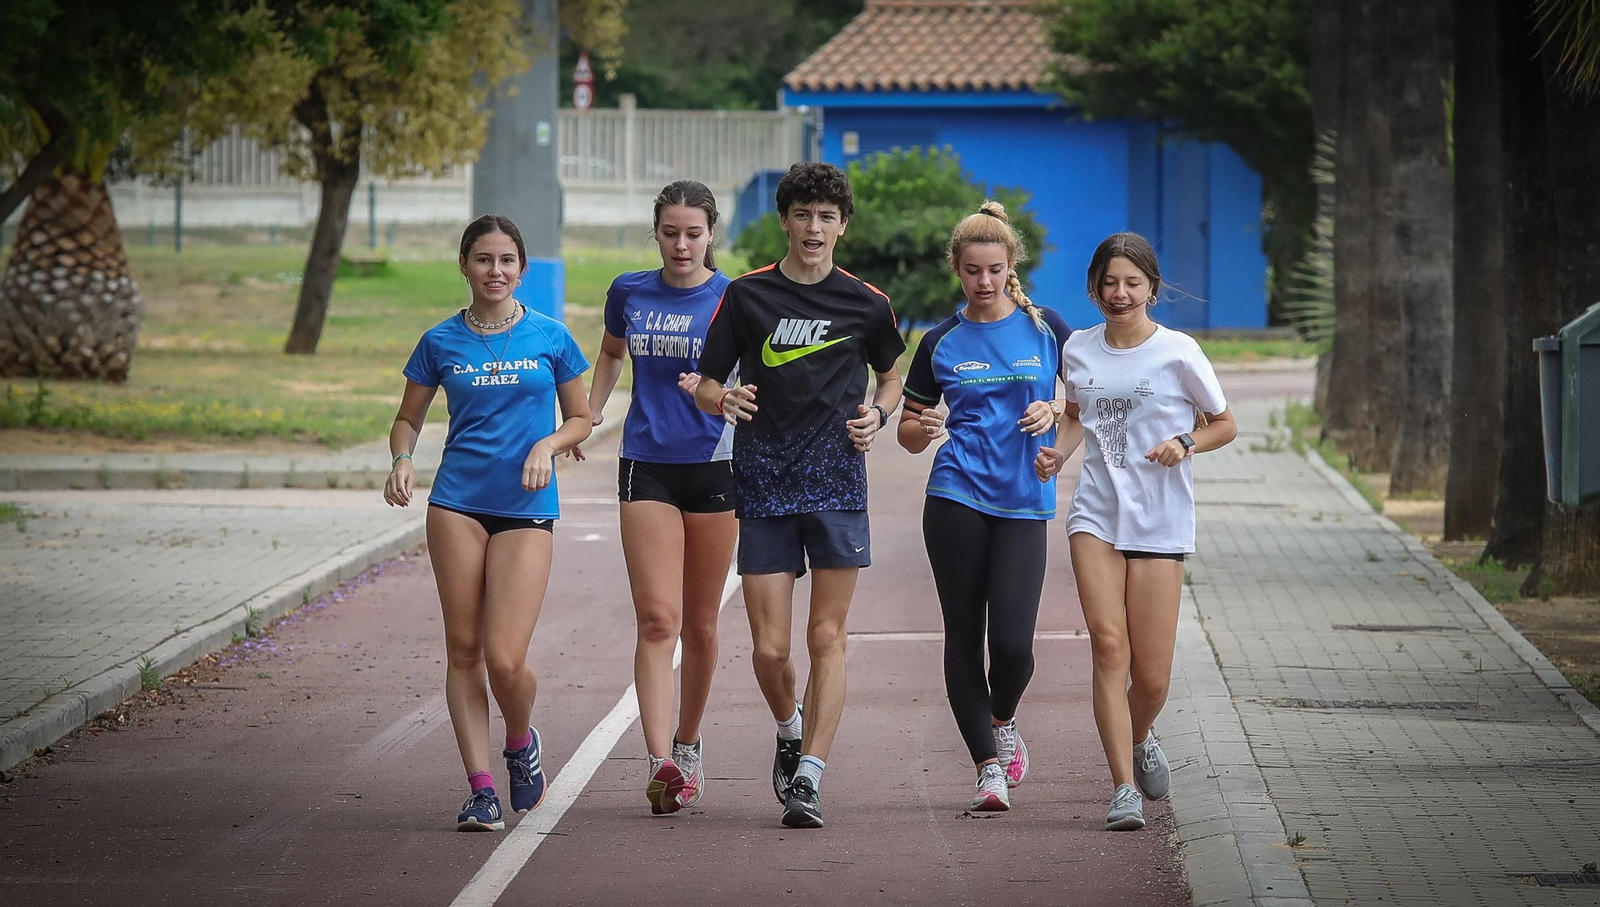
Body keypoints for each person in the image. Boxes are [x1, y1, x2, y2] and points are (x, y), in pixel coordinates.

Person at [693, 162, 905, 829]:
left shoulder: (867, 303)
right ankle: (789, 727)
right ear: (785, 220)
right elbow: (702, 381)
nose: (815, 227)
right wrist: (720, 396)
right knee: (770, 649)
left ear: (843, 225)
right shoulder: (748, 297)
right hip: (761, 483)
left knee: (826, 634)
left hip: (837, 484)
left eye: (827, 216)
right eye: (804, 214)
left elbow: (891, 375)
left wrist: (880, 411)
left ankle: (809, 774)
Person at [384, 215, 593, 832]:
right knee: (464, 648)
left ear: (521, 269)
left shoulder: (552, 337)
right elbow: (408, 419)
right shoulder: (440, 341)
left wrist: (546, 446)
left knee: (505, 658)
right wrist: (401, 460)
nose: (495, 271)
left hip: (526, 507)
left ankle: (520, 741)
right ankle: (480, 789)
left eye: (506, 260)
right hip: (456, 503)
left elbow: (582, 418)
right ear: (465, 266)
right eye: (483, 260)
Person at [1034, 232, 1237, 831]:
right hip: (1095, 515)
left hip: (1160, 520)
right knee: (1108, 645)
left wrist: (1185, 442)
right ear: (1094, 286)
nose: (1119, 294)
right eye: (1109, 282)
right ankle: (1122, 786)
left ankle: (1141, 732)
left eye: (1132, 283)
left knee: (1151, 676)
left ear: (1152, 287)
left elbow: (1224, 424)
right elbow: (1075, 417)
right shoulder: (1077, 348)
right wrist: (1056, 456)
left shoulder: (1178, 352)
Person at [896, 201, 1080, 812]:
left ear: (1011, 268)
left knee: (1014, 646)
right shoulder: (939, 341)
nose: (984, 281)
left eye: (995, 270)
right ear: (958, 269)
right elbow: (908, 433)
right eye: (973, 271)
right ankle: (987, 768)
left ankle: (1003, 719)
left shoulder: (1047, 327)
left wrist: (1055, 411)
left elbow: (1086, 399)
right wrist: (927, 426)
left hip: (1026, 498)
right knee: (963, 632)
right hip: (956, 495)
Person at [577, 181, 737, 815]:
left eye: (693, 233)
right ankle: (659, 762)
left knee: (700, 624)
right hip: (647, 464)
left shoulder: (733, 297)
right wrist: (591, 409)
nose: (681, 244)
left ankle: (689, 743)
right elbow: (613, 350)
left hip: (716, 468)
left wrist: (725, 392)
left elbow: (757, 372)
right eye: (670, 232)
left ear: (710, 236)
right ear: (656, 233)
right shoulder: (629, 291)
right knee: (657, 619)